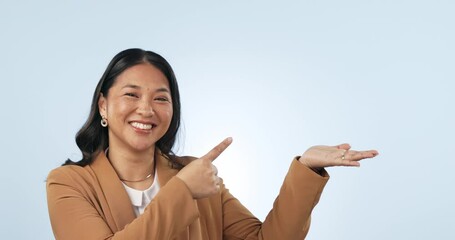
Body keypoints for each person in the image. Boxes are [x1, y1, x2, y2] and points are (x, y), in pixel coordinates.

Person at [46, 48, 379, 240]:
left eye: (161, 98)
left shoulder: (195, 174)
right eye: (131, 94)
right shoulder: (68, 183)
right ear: (103, 105)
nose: (146, 109)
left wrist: (306, 170)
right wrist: (183, 191)